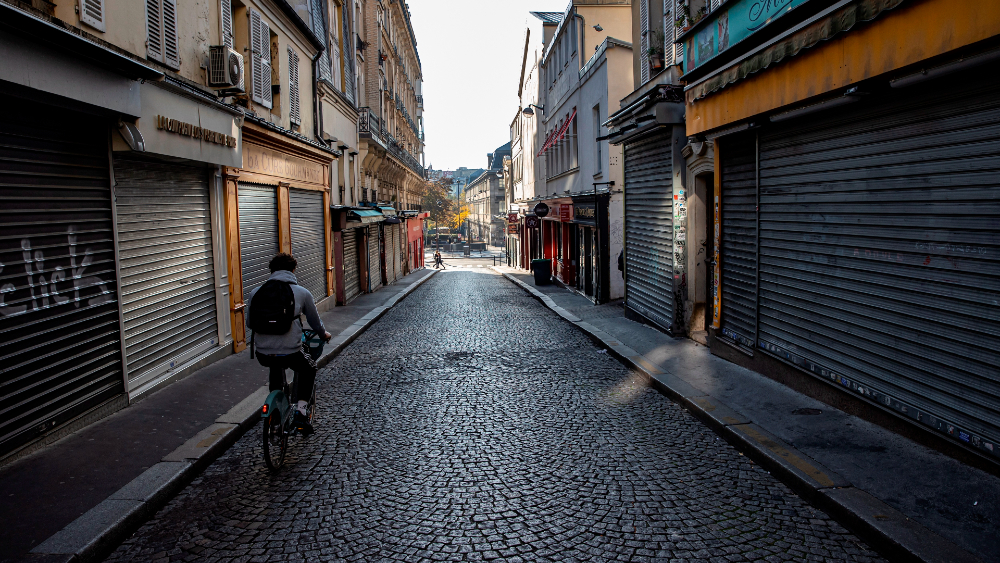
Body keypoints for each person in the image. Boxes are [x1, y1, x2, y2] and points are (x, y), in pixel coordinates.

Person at [247, 253, 331, 435]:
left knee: (275, 366)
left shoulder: (255, 293)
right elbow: (315, 323)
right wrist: (324, 334)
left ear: (272, 271)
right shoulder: (301, 292)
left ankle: (275, 414)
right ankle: (301, 411)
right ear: (293, 270)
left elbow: (249, 323)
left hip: (263, 352)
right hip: (291, 351)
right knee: (309, 367)